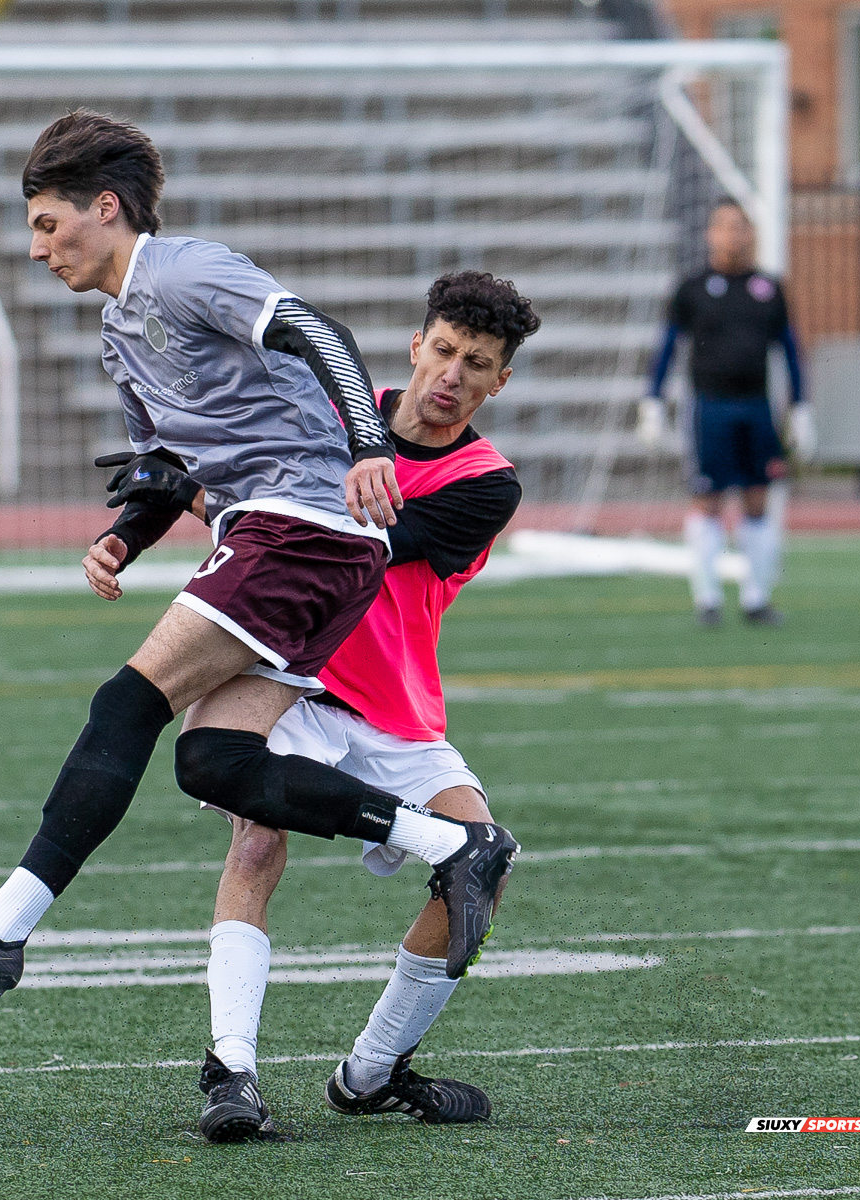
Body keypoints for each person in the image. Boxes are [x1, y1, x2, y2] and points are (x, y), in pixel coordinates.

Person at [0, 111, 519, 998]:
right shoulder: (116, 334)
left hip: (300, 524)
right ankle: (448, 845)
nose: (35, 249)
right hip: (304, 543)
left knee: (126, 703)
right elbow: (169, 468)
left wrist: (368, 444)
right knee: (215, 763)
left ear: (104, 208)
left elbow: (316, 331)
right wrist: (125, 535)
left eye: (46, 225)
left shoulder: (182, 269)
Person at [193, 272, 534, 1143]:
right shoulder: (335, 413)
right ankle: (230, 1069)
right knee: (257, 837)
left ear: (500, 383)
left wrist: (228, 500)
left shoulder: (486, 483)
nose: (453, 374)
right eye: (446, 350)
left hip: (397, 710)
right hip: (298, 682)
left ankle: (372, 1072)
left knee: (483, 869)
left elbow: (359, 548)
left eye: (478, 364)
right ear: (417, 346)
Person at [640, 199, 811, 627]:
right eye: (724, 227)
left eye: (741, 227)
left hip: (756, 406)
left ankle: (756, 598)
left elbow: (790, 350)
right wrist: (653, 400)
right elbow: (667, 346)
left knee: (758, 498)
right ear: (710, 234)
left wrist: (802, 407)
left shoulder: (769, 289)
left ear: (751, 233)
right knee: (707, 497)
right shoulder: (692, 288)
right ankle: (708, 597)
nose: (733, 235)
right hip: (708, 406)